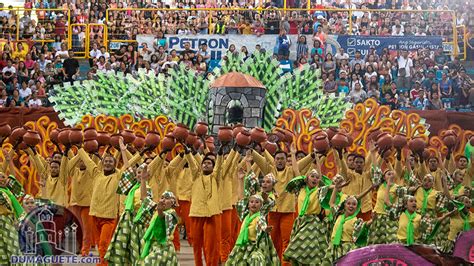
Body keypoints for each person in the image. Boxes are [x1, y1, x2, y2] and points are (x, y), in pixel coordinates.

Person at [251, 145, 314, 265]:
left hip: (288, 212)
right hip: (273, 212)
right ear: (274, 160)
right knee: (273, 241)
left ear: (286, 160)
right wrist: (253, 148)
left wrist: (312, 155)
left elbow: (303, 163)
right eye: (278, 159)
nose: (280, 161)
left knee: (287, 241)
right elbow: (259, 160)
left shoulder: (291, 171)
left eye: (282, 159)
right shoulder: (270, 170)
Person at [226, 194, 279, 266]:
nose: (254, 204)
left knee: (256, 259)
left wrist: (265, 229)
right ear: (248, 205)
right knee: (234, 261)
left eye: (257, 202)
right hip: (243, 245)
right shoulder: (245, 215)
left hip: (255, 246)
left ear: (261, 206)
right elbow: (239, 205)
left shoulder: (260, 217)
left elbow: (262, 224)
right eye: (251, 202)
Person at [0, 171, 25, 265]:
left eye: (3, 177)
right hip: (4, 221)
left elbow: (20, 192)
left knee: (12, 247)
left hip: (9, 220)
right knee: (6, 247)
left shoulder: (7, 191)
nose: (1, 179)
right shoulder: (2, 192)